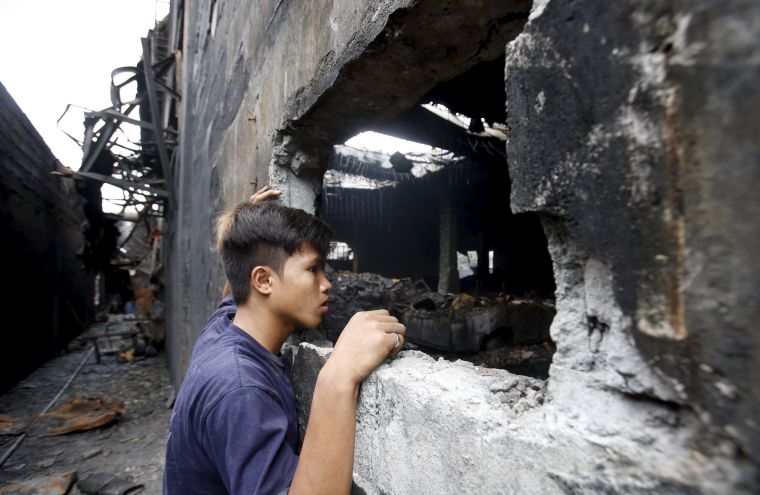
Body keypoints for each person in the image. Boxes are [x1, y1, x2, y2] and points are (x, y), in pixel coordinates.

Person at [163, 185, 406, 494]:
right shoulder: (241, 388)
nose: (327, 284)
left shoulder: (222, 327)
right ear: (263, 280)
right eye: (313, 269)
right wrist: (338, 375)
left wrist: (247, 229)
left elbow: (233, 291)